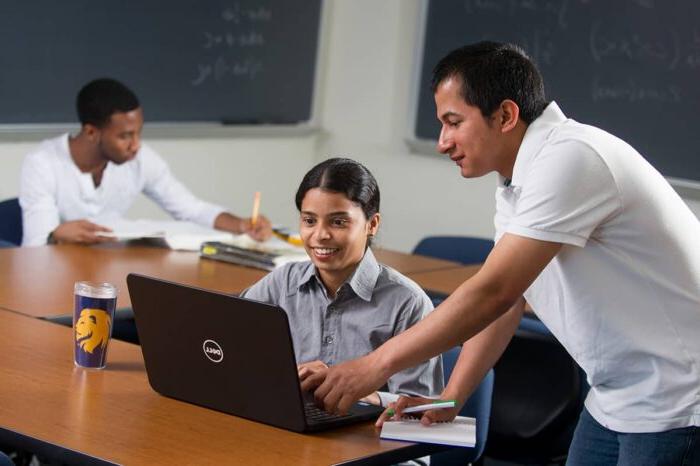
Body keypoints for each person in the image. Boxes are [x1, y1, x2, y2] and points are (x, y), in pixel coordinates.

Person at [302, 42, 700, 465]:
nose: (442, 142)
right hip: (616, 396)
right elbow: (507, 303)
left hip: (677, 398)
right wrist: (450, 398)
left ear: (506, 115)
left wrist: (374, 366)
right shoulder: (517, 182)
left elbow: (494, 291)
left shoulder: (572, 158)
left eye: (453, 122)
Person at [241, 157, 443, 407]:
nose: (320, 235)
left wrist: (367, 395)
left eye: (338, 222)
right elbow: (230, 347)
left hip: (367, 439)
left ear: (372, 224)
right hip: (289, 427)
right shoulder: (281, 283)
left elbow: (423, 407)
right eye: (309, 221)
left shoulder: (407, 302)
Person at [19, 78, 272, 246]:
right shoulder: (42, 164)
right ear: (91, 132)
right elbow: (35, 243)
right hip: (54, 277)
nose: (136, 144)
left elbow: (190, 208)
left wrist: (240, 225)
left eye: (139, 132)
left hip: (107, 270)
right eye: (125, 136)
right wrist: (56, 235)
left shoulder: (139, 158)